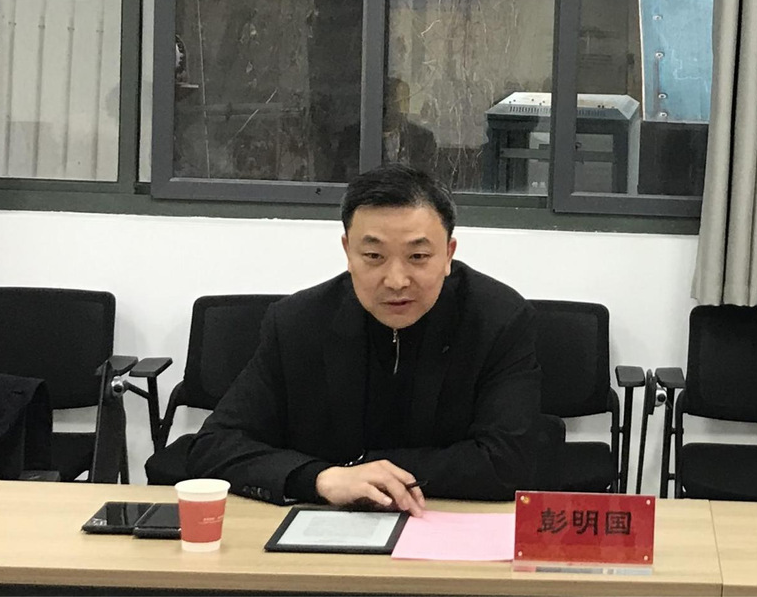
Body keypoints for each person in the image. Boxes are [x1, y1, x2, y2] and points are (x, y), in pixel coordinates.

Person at [187, 165, 543, 516]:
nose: (396, 280)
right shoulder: (297, 322)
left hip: (449, 520)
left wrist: (359, 468)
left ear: (448, 254)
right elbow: (216, 446)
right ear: (348, 251)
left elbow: (508, 462)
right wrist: (321, 478)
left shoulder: (498, 320)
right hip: (327, 524)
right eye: (374, 256)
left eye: (418, 257)